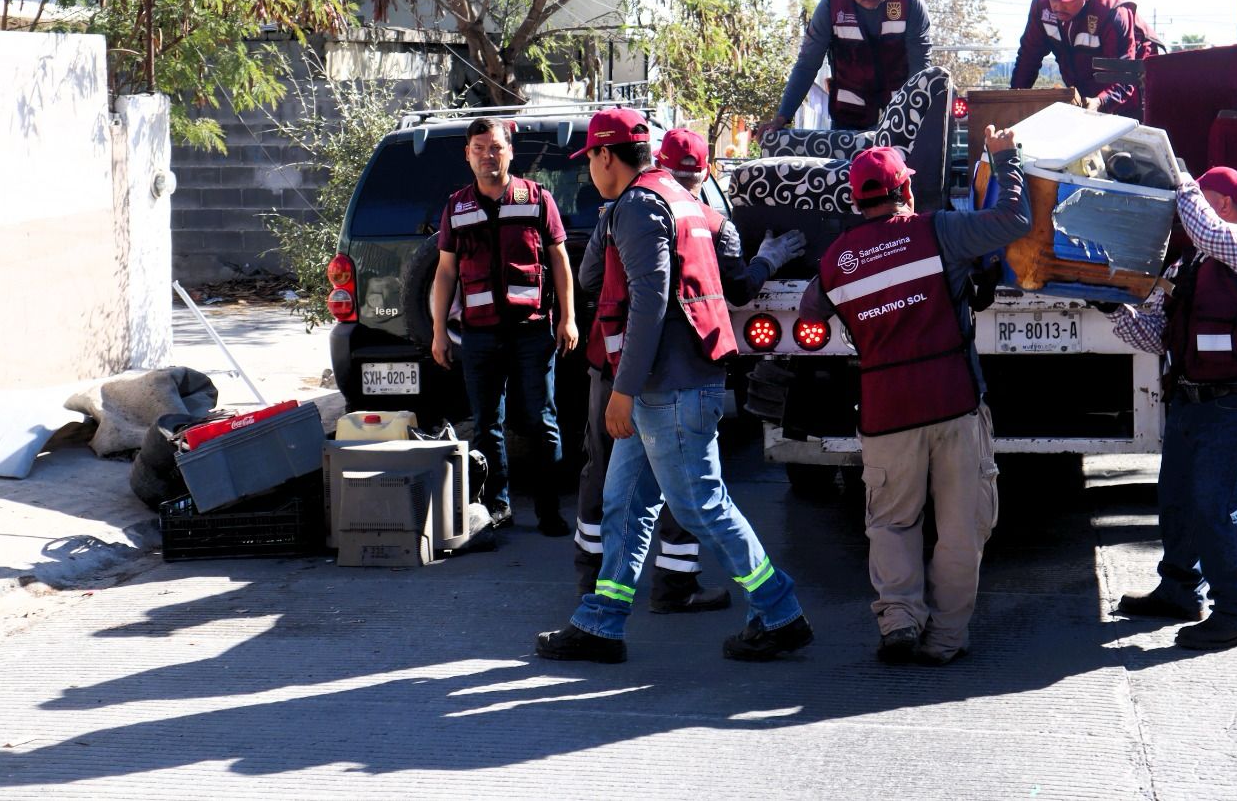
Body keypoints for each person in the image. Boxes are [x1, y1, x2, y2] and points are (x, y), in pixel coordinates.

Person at [537, 108, 812, 664]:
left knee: (700, 504)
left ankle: (779, 609)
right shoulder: (688, 202)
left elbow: (650, 301)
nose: (590, 168)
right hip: (671, 384)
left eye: (589, 157)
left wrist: (623, 388)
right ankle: (602, 622)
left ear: (605, 156)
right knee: (624, 504)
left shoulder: (637, 206)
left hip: (668, 388)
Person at [798, 132, 1032, 666]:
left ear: (856, 200)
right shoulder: (938, 231)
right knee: (960, 528)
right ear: (907, 188)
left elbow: (813, 313)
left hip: (885, 413)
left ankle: (900, 620)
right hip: (953, 401)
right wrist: (1006, 160)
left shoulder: (837, 260)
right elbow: (1014, 220)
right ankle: (946, 638)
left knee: (892, 522)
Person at [1105, 166, 1237, 650]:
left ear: (1221, 203)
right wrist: (1109, 305)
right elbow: (1151, 334)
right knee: (1180, 504)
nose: (1186, 211)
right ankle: (1180, 591)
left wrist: (1179, 178)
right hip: (1189, 401)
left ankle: (1234, 614)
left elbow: (1206, 227)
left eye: (1200, 199)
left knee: (1220, 509)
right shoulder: (1187, 266)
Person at [431, 117, 577, 535]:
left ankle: (549, 510)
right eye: (479, 148)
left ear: (509, 151)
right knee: (486, 425)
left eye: (495, 147)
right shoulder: (456, 207)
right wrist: (440, 329)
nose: (487, 156)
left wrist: (568, 318)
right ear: (467, 155)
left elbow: (559, 260)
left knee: (541, 421)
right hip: (479, 335)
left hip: (532, 330)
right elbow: (445, 272)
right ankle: (499, 507)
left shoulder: (536, 199)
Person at [757, 0, 933, 135]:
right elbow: (807, 65)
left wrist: (910, 117)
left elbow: (920, 67)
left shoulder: (909, 1)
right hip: (849, 122)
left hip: (902, 119)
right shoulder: (830, 6)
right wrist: (783, 116)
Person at [1009, 0, 1160, 119]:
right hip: (1084, 88)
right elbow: (1028, 56)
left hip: (1134, 91)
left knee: (1129, 135)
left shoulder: (1113, 12)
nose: (1058, 6)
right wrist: (1013, 102)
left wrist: (1100, 102)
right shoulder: (1042, 5)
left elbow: (1125, 78)